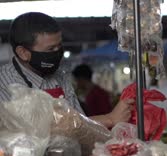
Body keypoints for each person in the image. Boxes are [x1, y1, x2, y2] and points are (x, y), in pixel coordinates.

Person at [0, 12, 132, 128]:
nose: (58, 53)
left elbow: (81, 125)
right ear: (23, 52)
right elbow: (36, 133)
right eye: (50, 49)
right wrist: (109, 119)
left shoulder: (59, 76)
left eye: (59, 46)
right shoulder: (5, 83)